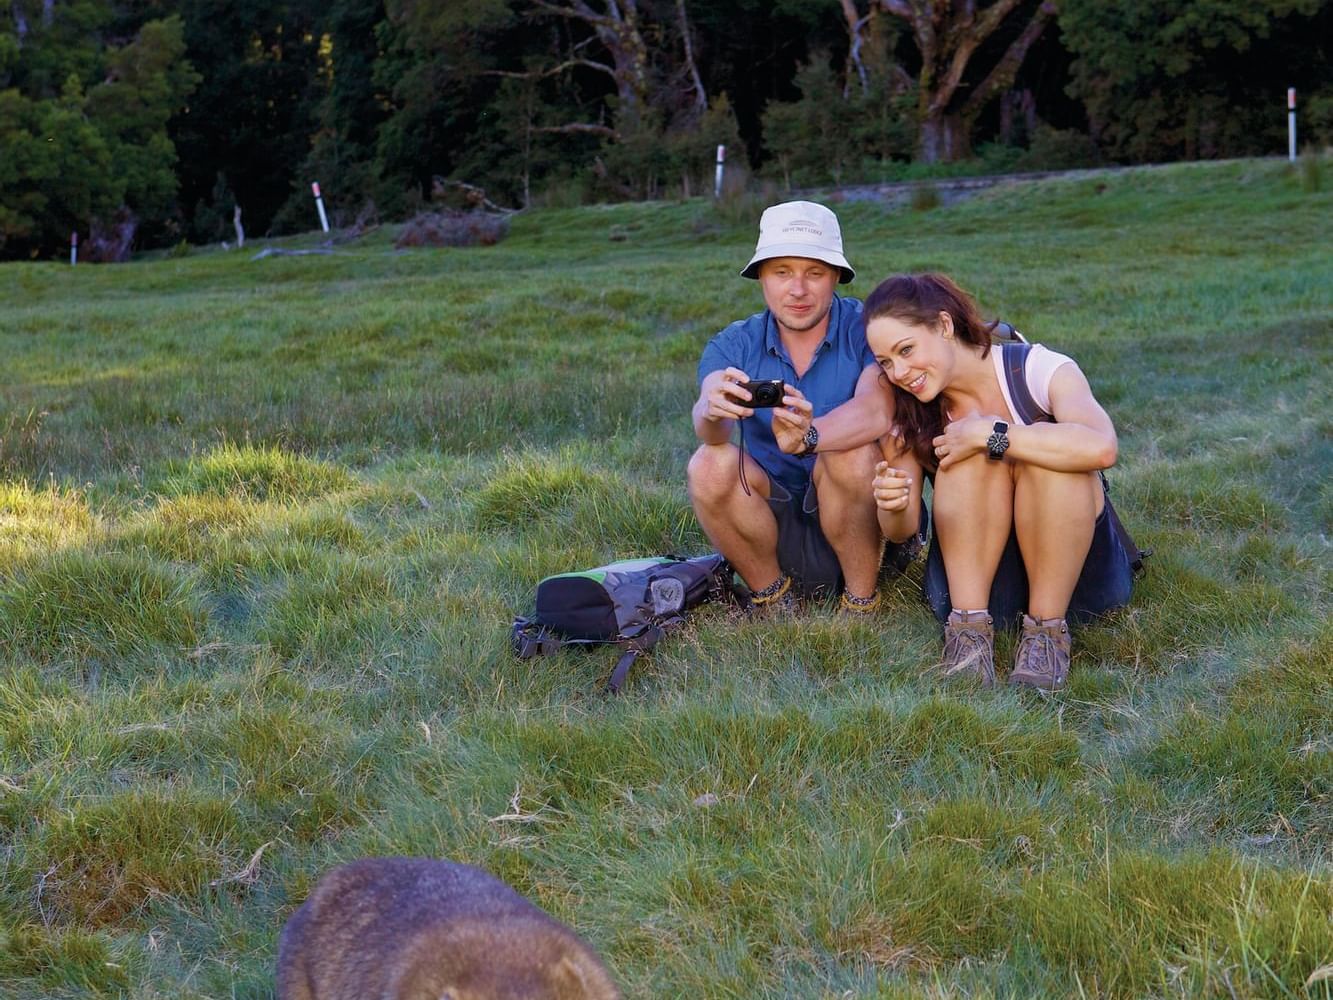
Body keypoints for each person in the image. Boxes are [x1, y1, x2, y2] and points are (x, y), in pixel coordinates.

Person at [863, 272, 1133, 691]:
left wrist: (991, 434)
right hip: (977, 587)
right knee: (971, 459)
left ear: (945, 325)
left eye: (906, 350)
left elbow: (1102, 448)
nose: (899, 372)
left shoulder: (1039, 369)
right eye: (885, 362)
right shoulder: (910, 410)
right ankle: (967, 638)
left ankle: (1046, 638)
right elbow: (900, 532)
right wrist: (893, 507)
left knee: (1044, 451)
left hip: (1077, 581)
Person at [688, 201, 922, 614]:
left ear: (836, 277)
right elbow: (712, 431)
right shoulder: (733, 343)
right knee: (707, 463)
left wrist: (810, 438)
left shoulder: (865, 328)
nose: (798, 290)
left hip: (862, 515)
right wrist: (712, 409)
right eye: (782, 272)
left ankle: (861, 600)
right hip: (769, 520)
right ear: (761, 276)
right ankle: (773, 596)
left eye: (814, 273)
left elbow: (876, 409)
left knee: (850, 450)